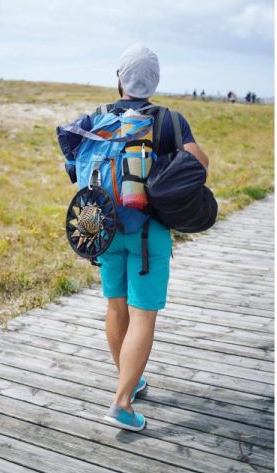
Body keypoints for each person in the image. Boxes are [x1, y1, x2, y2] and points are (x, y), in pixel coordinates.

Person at [94, 44, 210, 431]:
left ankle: (131, 379)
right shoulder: (170, 121)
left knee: (116, 308)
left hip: (105, 230)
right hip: (149, 234)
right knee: (143, 315)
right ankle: (122, 403)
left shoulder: (98, 117)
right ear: (155, 82)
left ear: (119, 78)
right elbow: (200, 162)